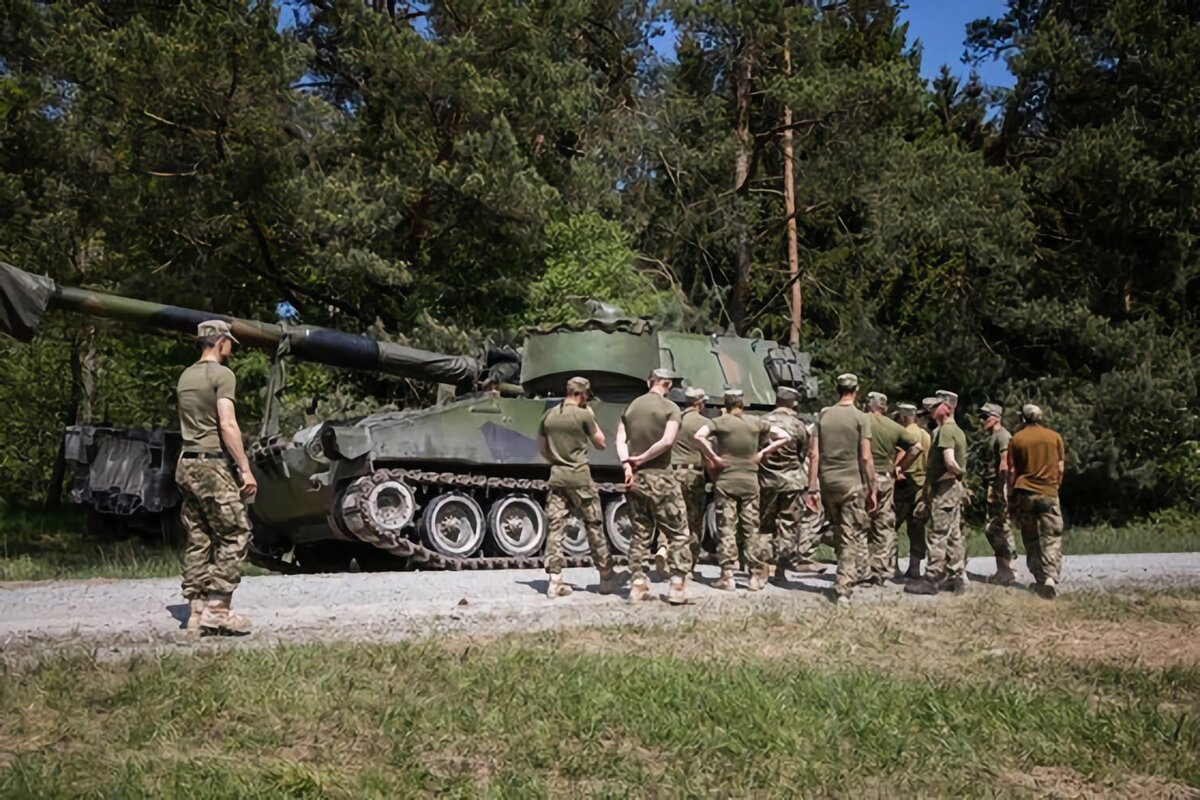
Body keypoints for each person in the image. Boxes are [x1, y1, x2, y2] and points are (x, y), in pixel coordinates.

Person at [177, 320, 257, 636]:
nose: (232, 348)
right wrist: (244, 468)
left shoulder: (186, 376)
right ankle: (219, 609)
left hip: (186, 462)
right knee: (237, 530)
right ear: (220, 341)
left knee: (199, 534)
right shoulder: (222, 375)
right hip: (211, 463)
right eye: (230, 342)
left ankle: (196, 612)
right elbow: (227, 424)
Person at [694, 390, 789, 591]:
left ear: (725, 404)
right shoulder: (755, 422)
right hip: (750, 481)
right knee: (751, 528)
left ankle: (727, 575)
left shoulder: (720, 422)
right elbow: (783, 436)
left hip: (727, 480)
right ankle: (755, 576)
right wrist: (763, 453)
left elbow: (699, 436)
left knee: (726, 527)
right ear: (742, 403)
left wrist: (714, 457)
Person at [538, 376, 622, 598]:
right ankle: (606, 576)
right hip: (580, 478)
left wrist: (558, 461)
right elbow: (601, 443)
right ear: (581, 394)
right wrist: (592, 417)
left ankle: (555, 580)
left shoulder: (549, 415)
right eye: (586, 395)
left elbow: (543, 449)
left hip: (557, 476)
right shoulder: (584, 414)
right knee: (593, 524)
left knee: (556, 527)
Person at [617, 369, 692, 605]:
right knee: (679, 533)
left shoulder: (631, 407)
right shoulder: (670, 408)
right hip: (662, 477)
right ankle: (677, 586)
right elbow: (668, 441)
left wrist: (628, 466)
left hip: (637, 480)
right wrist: (643, 457)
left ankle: (637, 585)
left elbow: (620, 440)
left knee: (640, 534)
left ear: (650, 382)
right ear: (668, 385)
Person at [807, 373, 876, 604]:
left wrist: (812, 487)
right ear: (856, 390)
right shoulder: (861, 417)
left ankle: (842, 574)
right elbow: (866, 457)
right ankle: (843, 587)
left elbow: (814, 454)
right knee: (849, 534)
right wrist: (872, 488)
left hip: (828, 483)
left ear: (836, 389)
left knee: (837, 531)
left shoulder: (823, 415)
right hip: (852, 484)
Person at [906, 390, 968, 595]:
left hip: (945, 488)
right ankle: (957, 577)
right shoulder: (956, 430)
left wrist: (957, 474)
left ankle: (932, 578)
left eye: (936, 405)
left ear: (947, 407)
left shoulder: (946, 431)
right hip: (952, 488)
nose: (932, 410)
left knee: (938, 534)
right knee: (954, 535)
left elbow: (950, 461)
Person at [1008, 404, 1066, 599]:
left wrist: (1011, 494)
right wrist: (1055, 486)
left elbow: (1012, 470)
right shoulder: (1054, 437)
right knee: (1052, 536)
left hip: (1025, 492)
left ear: (1023, 418)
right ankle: (1051, 578)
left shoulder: (1017, 439)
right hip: (1048, 492)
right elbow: (1060, 468)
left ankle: (1039, 577)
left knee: (1031, 537)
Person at [864, 392, 922, 585]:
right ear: (884, 407)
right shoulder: (893, 427)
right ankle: (880, 571)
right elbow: (916, 448)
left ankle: (860, 568)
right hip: (885, 478)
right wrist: (899, 468)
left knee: (860, 524)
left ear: (868, 405)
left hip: (862, 477)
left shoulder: (860, 421)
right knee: (884, 525)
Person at [759, 386, 810, 585]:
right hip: (792, 482)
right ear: (793, 403)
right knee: (788, 525)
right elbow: (803, 452)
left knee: (764, 526)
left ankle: (762, 568)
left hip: (766, 480)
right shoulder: (798, 425)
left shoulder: (762, 421)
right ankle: (779, 569)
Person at [671, 386, 710, 577]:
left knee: (678, 521)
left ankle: (675, 562)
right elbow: (711, 451)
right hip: (694, 475)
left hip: (675, 473)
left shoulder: (674, 419)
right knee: (695, 522)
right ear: (698, 403)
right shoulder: (703, 423)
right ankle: (689, 567)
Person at [892, 402, 932, 580]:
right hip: (922, 484)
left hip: (905, 484)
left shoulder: (906, 434)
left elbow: (901, 455)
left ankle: (892, 565)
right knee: (916, 527)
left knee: (892, 525)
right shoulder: (925, 434)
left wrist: (896, 468)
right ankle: (914, 567)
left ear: (903, 417)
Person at [979, 402, 1017, 584]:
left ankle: (1006, 569)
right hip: (993, 484)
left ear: (996, 418)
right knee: (995, 527)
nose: (982, 420)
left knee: (997, 526)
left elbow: (1005, 463)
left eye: (986, 416)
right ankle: (1003, 568)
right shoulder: (993, 436)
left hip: (998, 485)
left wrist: (1003, 489)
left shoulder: (1003, 436)